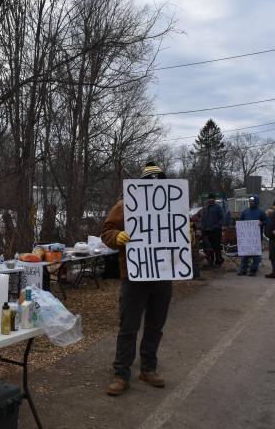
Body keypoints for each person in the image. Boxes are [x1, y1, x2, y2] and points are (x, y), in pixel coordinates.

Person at [101, 161, 172, 396]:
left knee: (155, 325)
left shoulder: (173, 205)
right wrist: (117, 236)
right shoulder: (124, 205)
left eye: (158, 181)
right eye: (149, 182)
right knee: (129, 326)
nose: (154, 185)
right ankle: (121, 373)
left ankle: (148, 368)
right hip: (134, 275)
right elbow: (106, 232)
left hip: (162, 276)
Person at [238, 195, 267, 276]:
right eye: (250, 201)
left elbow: (266, 221)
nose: (251, 202)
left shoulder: (261, 212)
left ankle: (253, 269)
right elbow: (241, 221)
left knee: (256, 254)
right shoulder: (245, 212)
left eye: (252, 201)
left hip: (256, 237)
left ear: (256, 202)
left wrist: (262, 223)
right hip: (246, 237)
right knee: (245, 254)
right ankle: (243, 269)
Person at [201, 193, 224, 266]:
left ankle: (218, 261)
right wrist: (203, 227)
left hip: (216, 230)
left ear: (214, 199)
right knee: (208, 247)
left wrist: (216, 226)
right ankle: (210, 261)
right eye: (209, 198)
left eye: (212, 198)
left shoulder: (218, 208)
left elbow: (222, 218)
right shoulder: (205, 208)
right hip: (207, 230)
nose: (210, 200)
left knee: (216, 246)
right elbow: (202, 218)